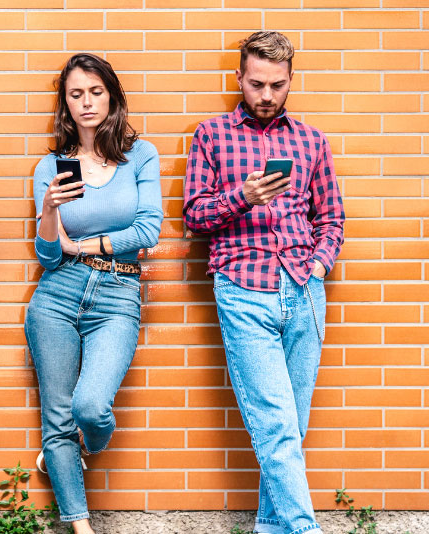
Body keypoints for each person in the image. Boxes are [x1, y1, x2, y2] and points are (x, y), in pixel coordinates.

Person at [184, 31, 344, 534]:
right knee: (275, 426)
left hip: (303, 288)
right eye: (257, 84)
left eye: (277, 84)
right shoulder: (210, 136)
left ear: (291, 79)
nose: (267, 95)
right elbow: (194, 217)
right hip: (243, 287)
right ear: (239, 78)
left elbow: (332, 219)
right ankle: (305, 528)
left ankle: (273, 527)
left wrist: (318, 265)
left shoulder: (312, 141)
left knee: (289, 430)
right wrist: (243, 196)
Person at [24, 53, 161, 534]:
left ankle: (72, 448)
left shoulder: (140, 156)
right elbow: (47, 254)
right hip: (56, 296)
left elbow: (148, 230)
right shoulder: (50, 166)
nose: (86, 102)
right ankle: (80, 526)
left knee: (88, 408)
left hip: (119, 292)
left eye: (95, 92)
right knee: (57, 416)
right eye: (76, 94)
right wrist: (47, 210)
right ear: (65, 102)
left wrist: (82, 243)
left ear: (112, 96)